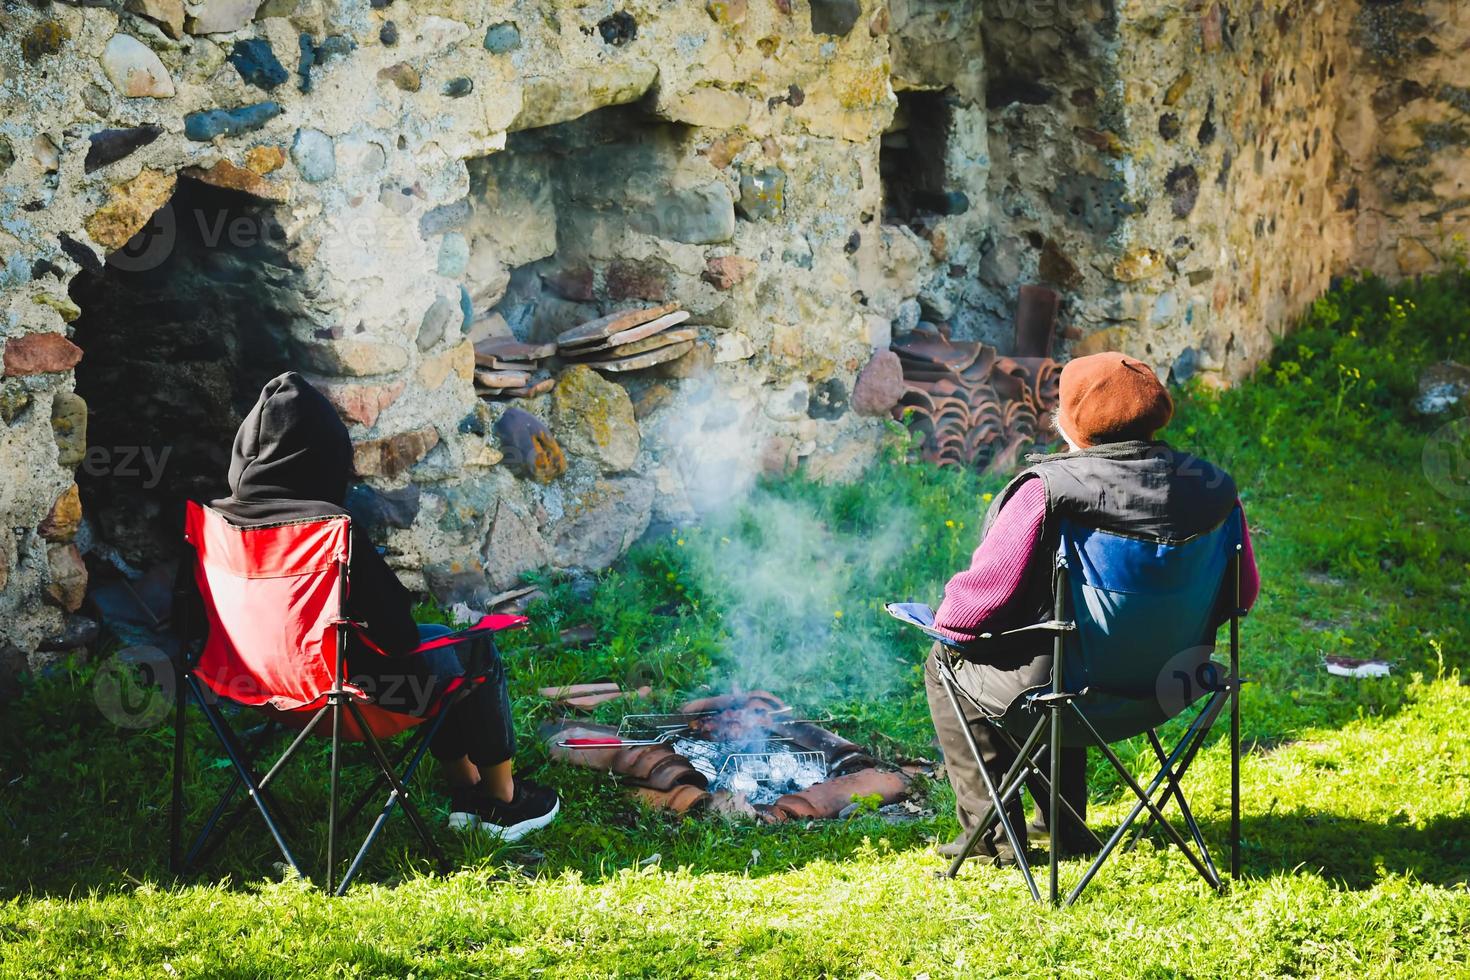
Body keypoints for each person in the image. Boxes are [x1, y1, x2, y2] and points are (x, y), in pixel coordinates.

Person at [924, 352, 1260, 866]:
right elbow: (1242, 595)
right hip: (1176, 683)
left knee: (954, 663)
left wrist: (942, 622)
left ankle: (992, 840)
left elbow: (970, 616)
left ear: (1075, 421)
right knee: (1067, 644)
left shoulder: (1049, 491)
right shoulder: (1215, 489)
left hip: (1070, 688)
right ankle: (1064, 826)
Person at [212, 372, 559, 841]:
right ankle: (503, 801)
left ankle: (467, 790)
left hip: (257, 683)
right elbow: (398, 636)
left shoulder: (220, 525)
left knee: (442, 642)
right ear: (322, 456)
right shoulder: (328, 531)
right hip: (342, 698)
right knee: (471, 650)